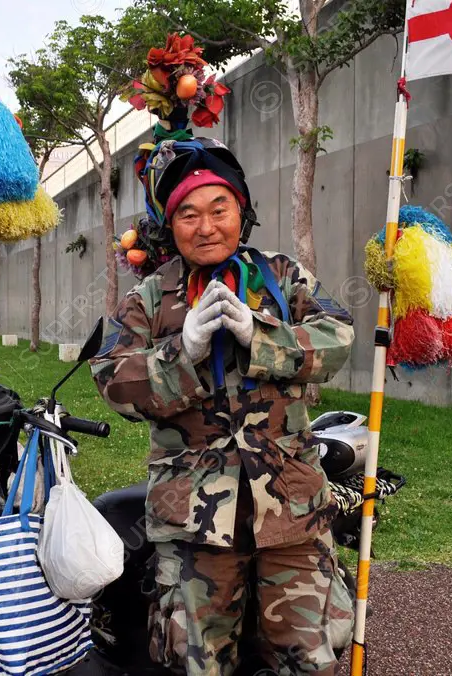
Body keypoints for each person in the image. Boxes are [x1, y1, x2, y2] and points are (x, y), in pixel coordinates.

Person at [90, 139, 356, 676]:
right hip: (193, 524)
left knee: (309, 657)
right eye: (188, 214)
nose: (206, 226)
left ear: (242, 211)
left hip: (292, 514)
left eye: (220, 209)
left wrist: (262, 337)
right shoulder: (147, 298)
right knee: (197, 661)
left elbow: (338, 337)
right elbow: (112, 381)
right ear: (171, 224)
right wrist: (179, 353)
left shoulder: (282, 278)